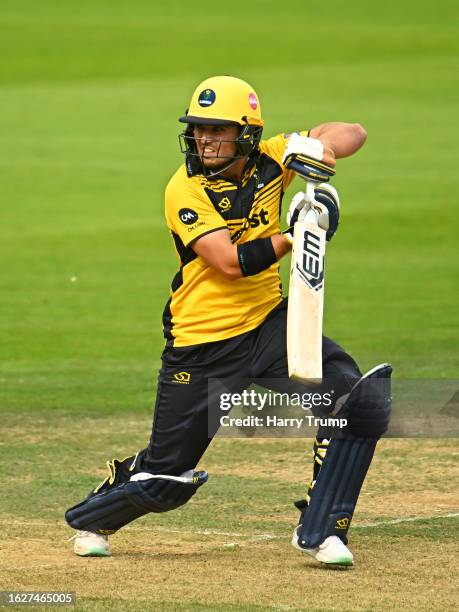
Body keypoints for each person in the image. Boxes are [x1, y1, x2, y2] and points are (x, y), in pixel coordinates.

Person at [66, 76, 391, 565]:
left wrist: (317, 151)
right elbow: (230, 262)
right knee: (166, 480)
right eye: (198, 129)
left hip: (268, 326)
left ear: (247, 134)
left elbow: (355, 133)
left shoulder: (273, 159)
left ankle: (324, 530)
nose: (204, 140)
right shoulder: (185, 188)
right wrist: (300, 229)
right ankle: (94, 517)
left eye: (217, 130)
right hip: (202, 345)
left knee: (356, 401)